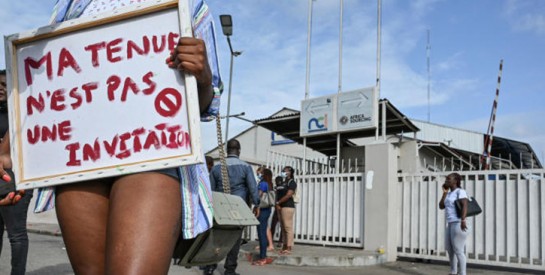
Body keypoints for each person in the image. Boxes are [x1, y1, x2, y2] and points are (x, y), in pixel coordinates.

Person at [0, 0, 223, 274]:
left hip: (152, 158)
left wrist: (201, 77)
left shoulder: (187, 5)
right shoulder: (71, 6)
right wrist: (14, 151)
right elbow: (42, 91)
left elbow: (203, 105)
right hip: (78, 165)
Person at [206, 139, 260, 275]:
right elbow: (253, 189)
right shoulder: (246, 167)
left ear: (227, 151)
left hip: (219, 209)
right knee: (235, 240)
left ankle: (210, 266)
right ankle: (229, 270)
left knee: (217, 238)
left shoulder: (217, 168)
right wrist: (257, 204)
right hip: (238, 210)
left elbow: (210, 191)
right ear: (239, 151)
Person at [0, 69, 34, 275]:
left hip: (14, 178)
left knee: (16, 233)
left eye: (4, 84)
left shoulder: (19, 114)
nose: (0, 88)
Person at [439, 172, 469, 275]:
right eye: (446, 179)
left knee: (458, 250)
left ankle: (463, 273)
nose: (446, 181)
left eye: (448, 179)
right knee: (449, 249)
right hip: (450, 224)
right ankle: (453, 272)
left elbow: (465, 205)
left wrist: (463, 220)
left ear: (455, 181)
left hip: (458, 223)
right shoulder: (449, 193)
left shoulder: (460, 191)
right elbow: (441, 206)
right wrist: (444, 193)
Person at [253, 168, 274, 265]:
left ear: (264, 174)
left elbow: (259, 196)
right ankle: (263, 255)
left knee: (261, 233)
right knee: (263, 231)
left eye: (260, 173)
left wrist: (256, 207)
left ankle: (263, 257)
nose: (259, 174)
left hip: (261, 209)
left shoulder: (263, 183)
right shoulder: (269, 183)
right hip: (267, 209)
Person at [275, 166, 297, 255]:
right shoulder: (282, 182)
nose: (284, 172)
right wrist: (277, 204)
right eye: (283, 171)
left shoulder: (292, 182)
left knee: (288, 227)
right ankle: (284, 245)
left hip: (287, 206)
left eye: (286, 171)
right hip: (280, 206)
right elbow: (277, 193)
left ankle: (289, 247)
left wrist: (278, 202)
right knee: (283, 227)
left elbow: (289, 195)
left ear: (291, 172)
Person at [270, 175, 284, 247]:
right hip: (282, 208)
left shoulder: (277, 188)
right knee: (282, 226)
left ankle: (271, 240)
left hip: (278, 208)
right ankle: (280, 241)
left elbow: (275, 198)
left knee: (273, 225)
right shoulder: (284, 188)